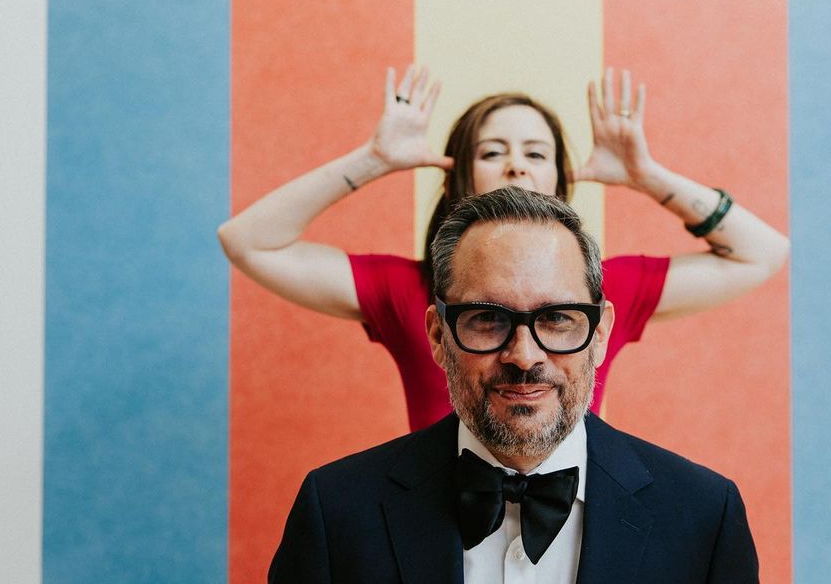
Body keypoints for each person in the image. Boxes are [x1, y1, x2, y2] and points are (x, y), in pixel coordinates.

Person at [218, 65, 789, 431]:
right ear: (459, 176)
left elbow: (761, 252)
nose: (516, 162)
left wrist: (648, 174)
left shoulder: (611, 287)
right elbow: (249, 243)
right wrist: (373, 160)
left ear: (561, 181)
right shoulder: (407, 291)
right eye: (493, 151)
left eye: (536, 153)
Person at [268, 187, 759, 583]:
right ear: (438, 336)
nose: (524, 356)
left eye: (558, 318)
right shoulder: (336, 510)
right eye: (487, 318)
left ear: (601, 334)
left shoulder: (704, 517)